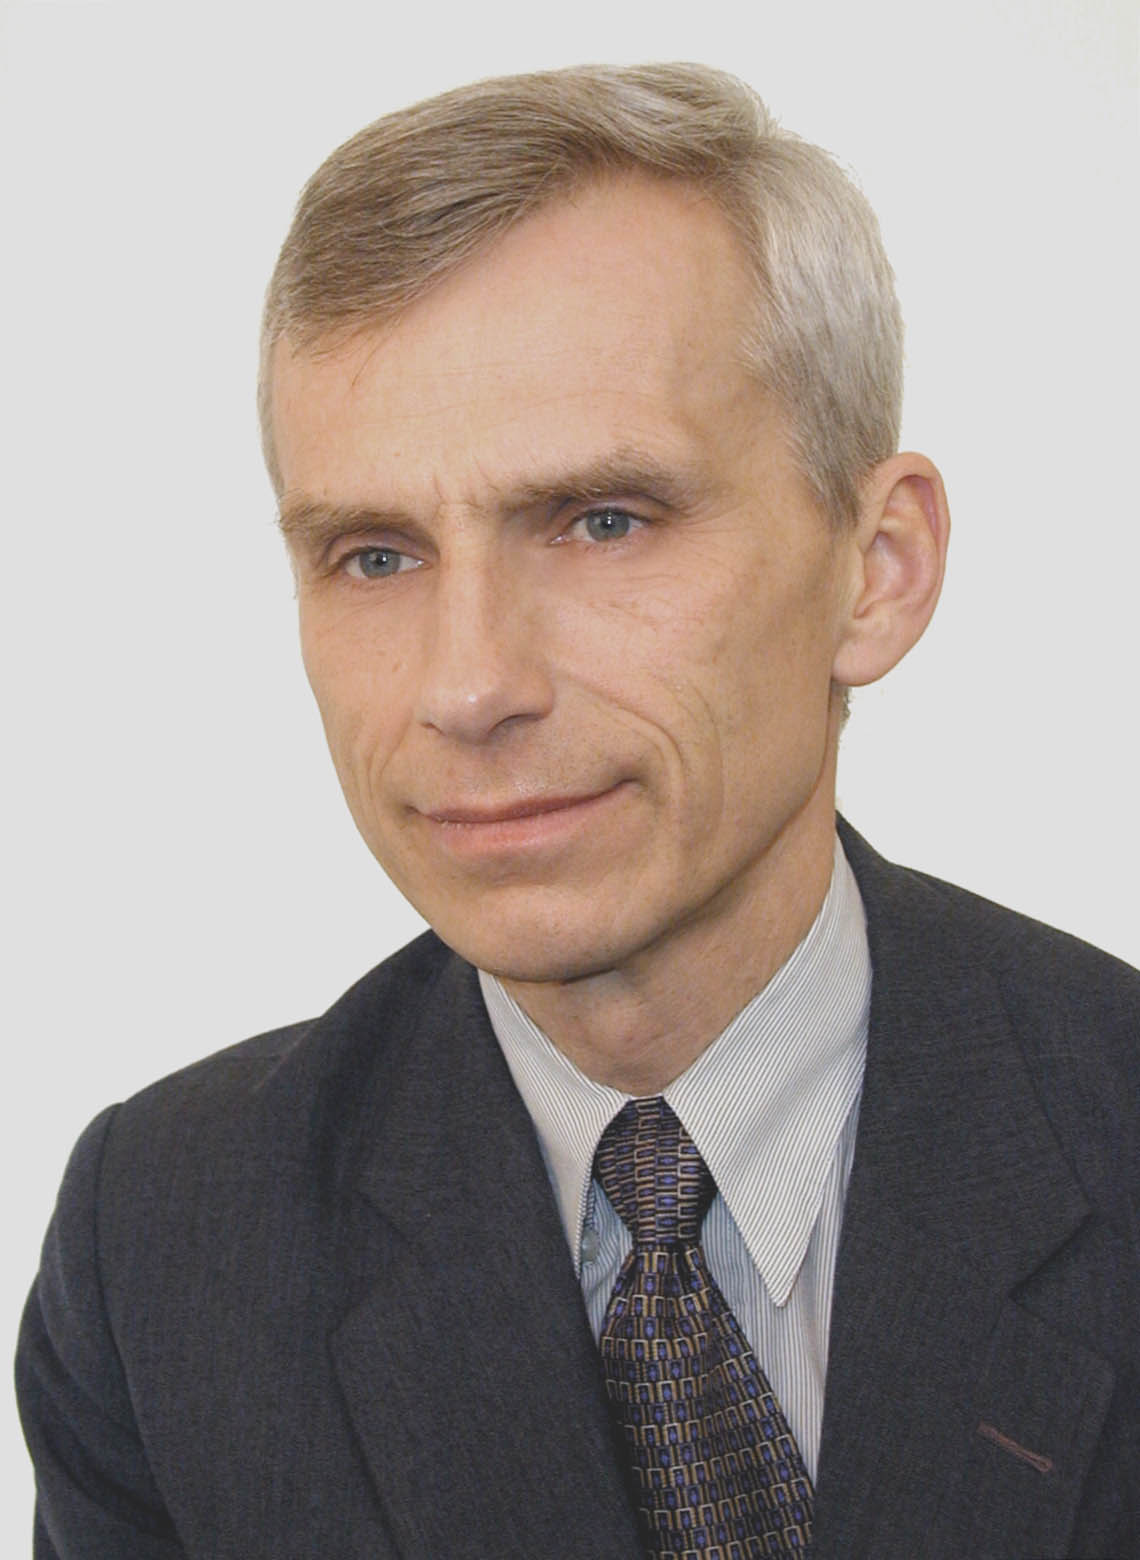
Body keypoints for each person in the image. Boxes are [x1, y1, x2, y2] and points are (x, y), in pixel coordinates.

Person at [15, 62, 1138, 1560]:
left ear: (876, 570)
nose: (469, 686)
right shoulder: (162, 1251)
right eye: (373, 555)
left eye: (605, 522)